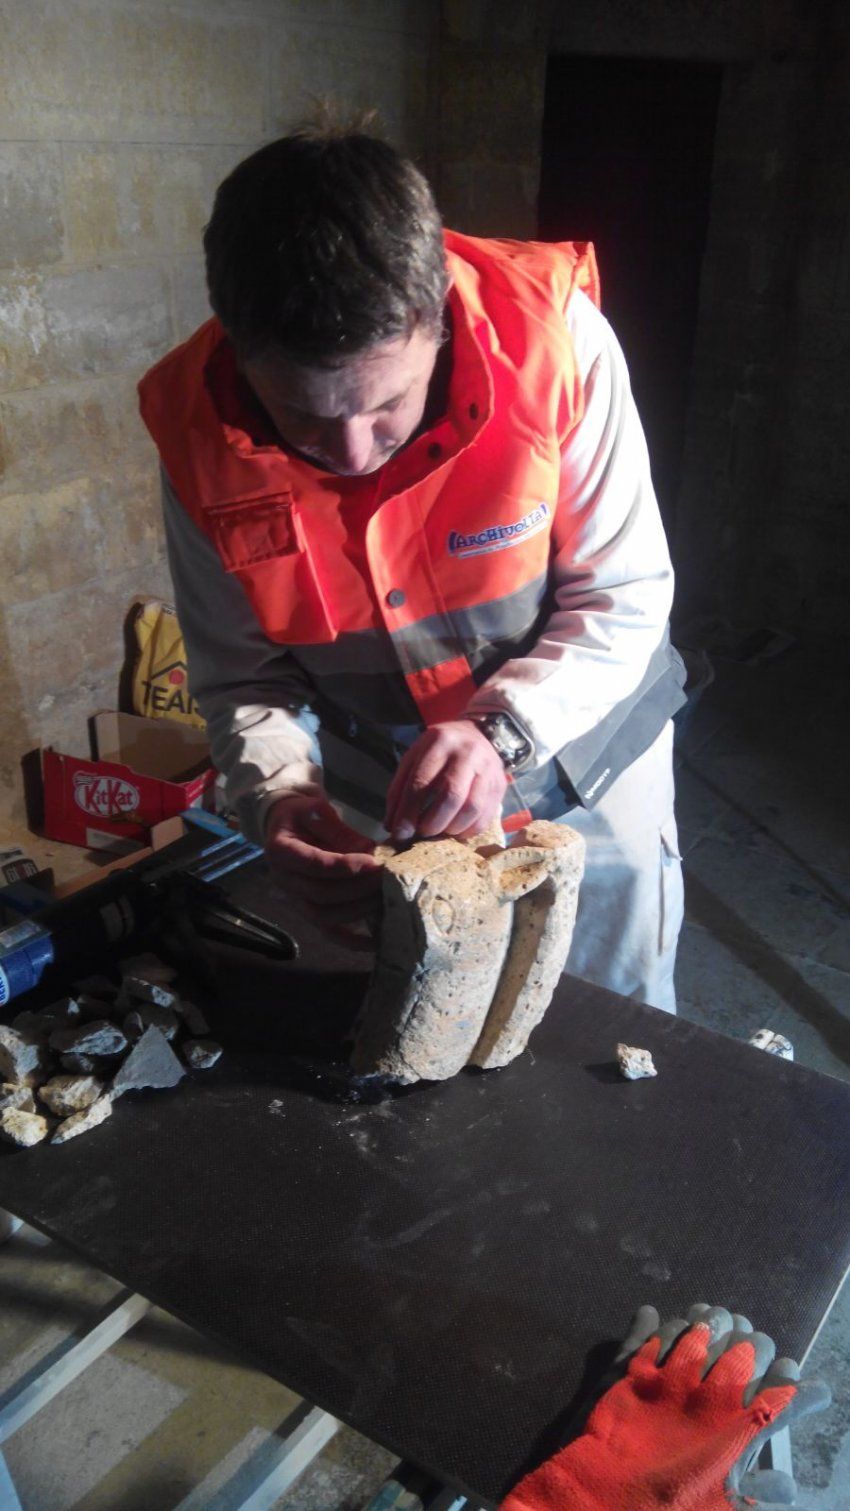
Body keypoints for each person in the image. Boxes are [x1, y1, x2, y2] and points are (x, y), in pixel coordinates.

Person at [138, 119, 687, 1010]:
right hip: (390, 803)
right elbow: (243, 677)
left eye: (388, 402)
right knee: (425, 1046)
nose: (352, 451)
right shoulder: (195, 433)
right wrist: (277, 798)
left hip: (594, 773)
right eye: (303, 417)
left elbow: (626, 595)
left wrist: (503, 734)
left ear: (441, 317)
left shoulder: (560, 345)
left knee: (617, 1029)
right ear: (240, 350)